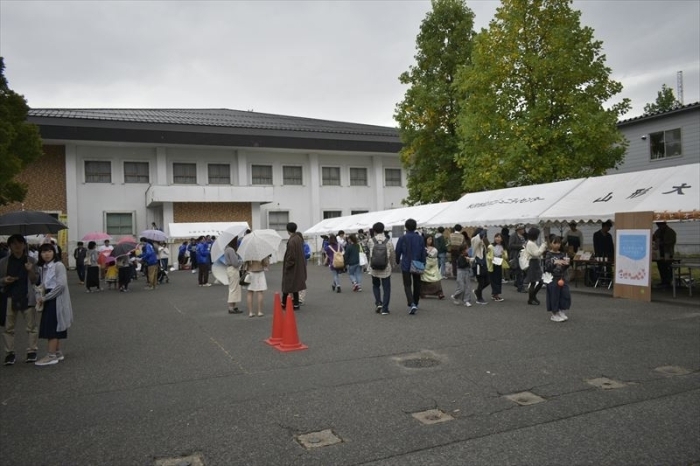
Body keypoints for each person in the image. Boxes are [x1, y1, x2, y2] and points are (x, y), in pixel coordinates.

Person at [1, 235, 40, 365]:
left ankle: (32, 351)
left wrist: (30, 271)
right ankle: (9, 353)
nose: (17, 246)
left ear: (24, 245)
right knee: (8, 328)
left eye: (19, 243)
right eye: (13, 243)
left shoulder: (32, 261)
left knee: (31, 326)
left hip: (27, 296)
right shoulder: (3, 262)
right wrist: (4, 280)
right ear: (9, 246)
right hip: (9, 296)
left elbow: (36, 280)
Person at [34, 243, 74, 366]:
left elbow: (61, 285)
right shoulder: (43, 267)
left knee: (51, 327)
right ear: (40, 254)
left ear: (54, 252)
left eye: (49, 251)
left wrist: (45, 298)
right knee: (53, 325)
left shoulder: (58, 265)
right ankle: (57, 352)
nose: (47, 254)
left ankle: (51, 355)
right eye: (43, 252)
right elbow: (43, 284)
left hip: (55, 299)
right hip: (48, 297)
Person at [395, 218, 426, 315]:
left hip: (406, 264)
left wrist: (397, 261)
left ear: (406, 227)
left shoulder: (402, 238)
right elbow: (423, 252)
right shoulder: (420, 238)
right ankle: (416, 302)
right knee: (417, 284)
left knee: (407, 284)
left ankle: (411, 303)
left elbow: (398, 251)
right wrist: (423, 263)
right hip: (417, 263)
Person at [543, 236, 571, 322]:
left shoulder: (562, 254)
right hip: (552, 277)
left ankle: (561, 310)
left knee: (565, 294)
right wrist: (555, 262)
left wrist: (566, 263)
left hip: (562, 277)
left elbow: (565, 267)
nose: (557, 245)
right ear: (550, 244)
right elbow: (547, 266)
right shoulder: (548, 254)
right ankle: (554, 314)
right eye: (555, 243)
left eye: (559, 243)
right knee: (554, 296)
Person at [368, 222, 394, 315]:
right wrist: (392, 265)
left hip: (374, 267)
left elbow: (370, 254)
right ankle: (385, 309)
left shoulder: (371, 241)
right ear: (383, 229)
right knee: (386, 288)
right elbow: (391, 255)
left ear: (374, 230)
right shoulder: (388, 241)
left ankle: (378, 303)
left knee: (376, 286)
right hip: (385, 268)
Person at [281, 222, 307, 310]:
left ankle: (283, 303)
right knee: (295, 285)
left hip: (292, 267)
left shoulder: (292, 241)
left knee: (287, 285)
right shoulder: (298, 238)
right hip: (298, 266)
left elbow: (291, 257)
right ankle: (296, 304)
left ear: (288, 230)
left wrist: (287, 266)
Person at [525, 227, 548, 305]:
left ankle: (532, 297)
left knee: (536, 282)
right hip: (533, 263)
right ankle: (531, 298)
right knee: (535, 282)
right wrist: (543, 246)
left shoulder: (530, 242)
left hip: (533, 262)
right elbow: (536, 253)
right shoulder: (531, 243)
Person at [652, 222, 677, 288]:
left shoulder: (671, 231)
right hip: (659, 253)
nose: (659, 227)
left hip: (668, 252)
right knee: (661, 267)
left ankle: (668, 282)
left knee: (668, 267)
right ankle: (663, 281)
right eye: (658, 225)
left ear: (664, 224)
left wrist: (663, 243)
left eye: (660, 225)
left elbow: (672, 241)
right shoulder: (658, 231)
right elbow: (654, 238)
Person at [420, 235, 445, 299]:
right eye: (428, 239)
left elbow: (435, 255)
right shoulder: (422, 247)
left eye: (431, 239)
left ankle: (439, 293)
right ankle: (422, 292)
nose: (430, 241)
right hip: (425, 264)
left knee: (436, 278)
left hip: (433, 265)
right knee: (424, 279)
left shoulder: (434, 248)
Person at [487, 232, 509, 302]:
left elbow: (506, 257)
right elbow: (487, 255)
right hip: (492, 264)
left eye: (499, 237)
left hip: (499, 263)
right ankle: (495, 295)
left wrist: (503, 253)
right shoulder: (491, 246)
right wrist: (491, 258)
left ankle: (495, 294)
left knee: (498, 279)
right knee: (493, 280)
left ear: (502, 239)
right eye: (496, 237)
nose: (497, 238)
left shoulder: (503, 247)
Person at [471, 228, 490, 305]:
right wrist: (484, 229)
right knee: (481, 281)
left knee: (488, 281)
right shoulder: (474, 239)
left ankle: (477, 292)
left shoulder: (482, 241)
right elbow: (479, 237)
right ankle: (479, 298)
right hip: (477, 263)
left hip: (483, 263)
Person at [224, 239, 243, 314]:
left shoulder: (226, 249)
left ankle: (233, 306)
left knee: (233, 288)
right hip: (233, 269)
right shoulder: (231, 250)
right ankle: (231, 307)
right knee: (234, 288)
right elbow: (235, 263)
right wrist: (241, 261)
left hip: (229, 269)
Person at [508, 224, 527, 293]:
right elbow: (510, 245)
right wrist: (521, 246)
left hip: (522, 255)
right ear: (518, 230)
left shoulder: (523, 236)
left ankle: (517, 283)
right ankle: (520, 287)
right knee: (519, 271)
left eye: (523, 229)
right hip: (516, 256)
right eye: (522, 229)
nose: (523, 230)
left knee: (523, 271)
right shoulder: (513, 236)